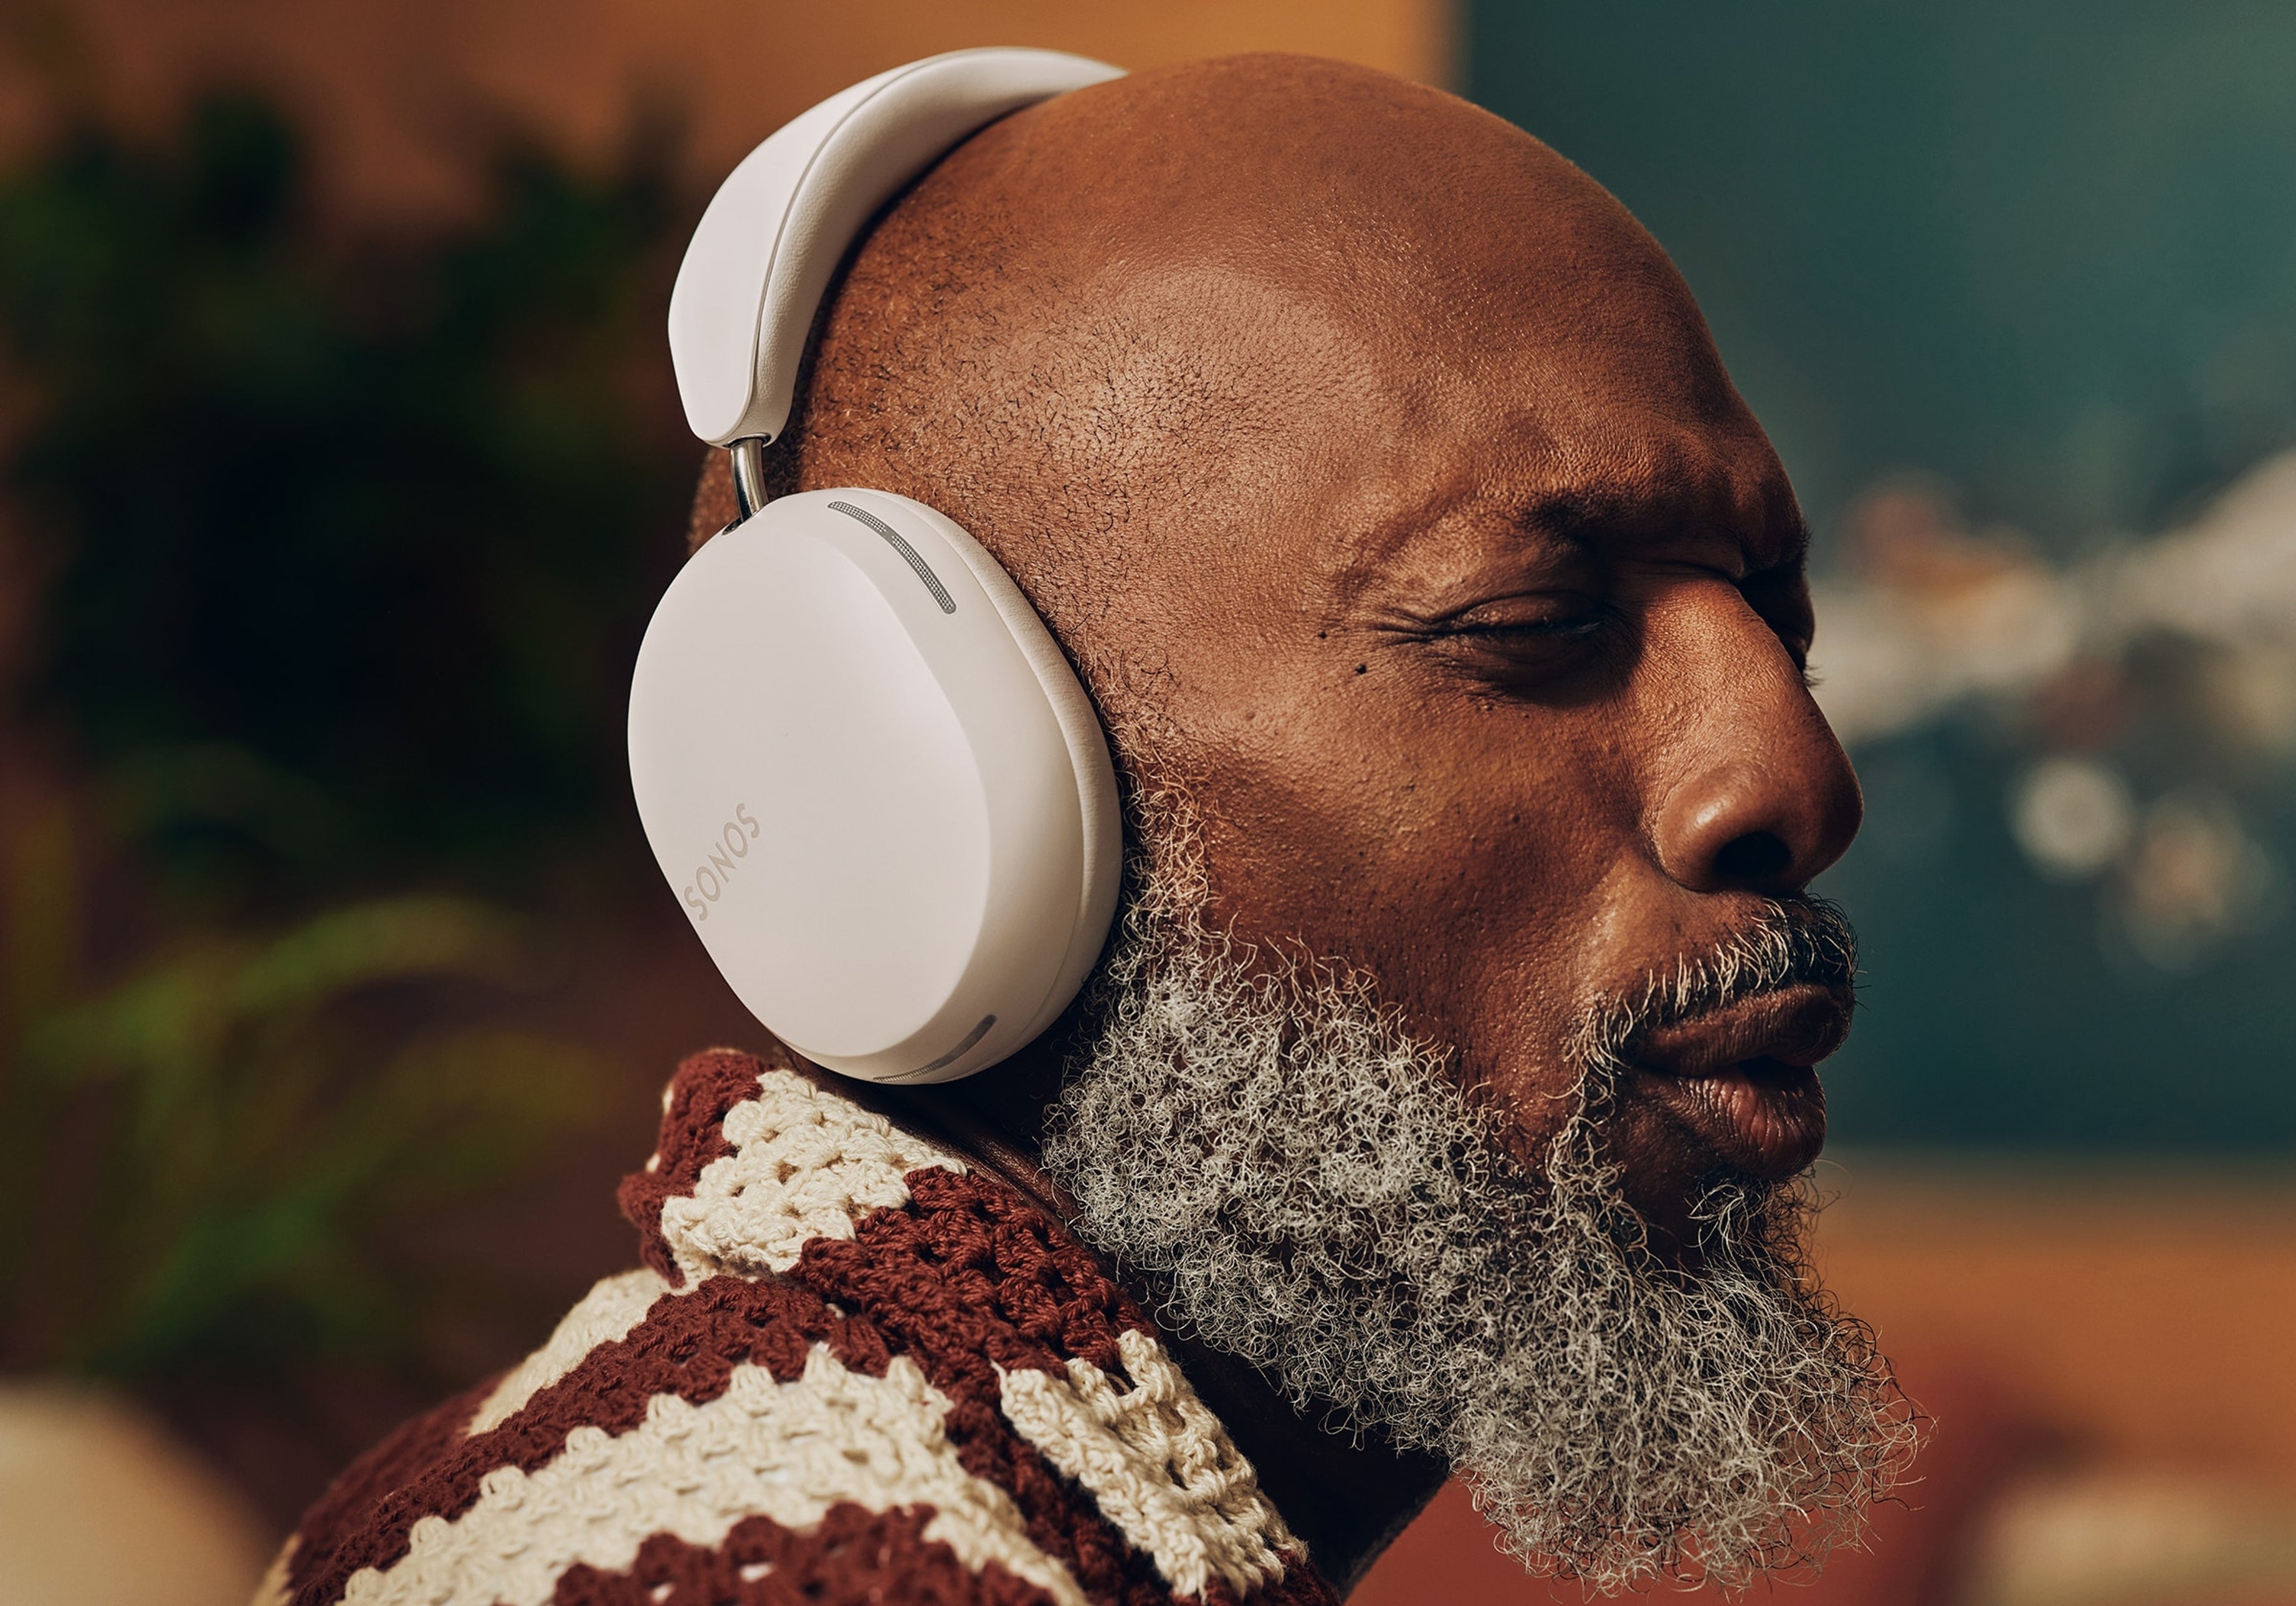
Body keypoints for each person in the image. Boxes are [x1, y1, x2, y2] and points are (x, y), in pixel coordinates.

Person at [259, 53, 1914, 1606]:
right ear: (920, 778)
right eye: (1534, 613)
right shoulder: (802, 1565)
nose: (1793, 771)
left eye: (1779, 609)